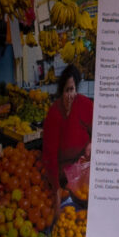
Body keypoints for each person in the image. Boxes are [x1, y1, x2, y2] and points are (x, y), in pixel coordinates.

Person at [38, 65, 92, 200]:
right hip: (60, 178)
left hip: (82, 173)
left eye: (72, 90)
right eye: (66, 91)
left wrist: (91, 144)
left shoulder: (85, 104)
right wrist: (56, 190)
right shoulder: (54, 113)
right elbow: (49, 156)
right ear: (60, 91)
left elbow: (99, 131)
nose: (70, 96)